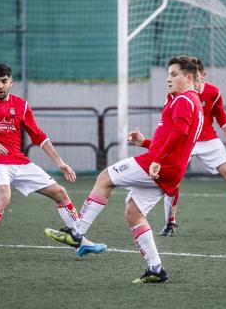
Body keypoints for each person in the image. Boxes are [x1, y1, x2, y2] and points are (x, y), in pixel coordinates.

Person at [45, 55, 204, 284]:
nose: (168, 79)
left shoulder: (184, 100)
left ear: (189, 77)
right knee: (133, 213)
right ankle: (156, 269)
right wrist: (145, 143)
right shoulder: (189, 102)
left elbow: (179, 133)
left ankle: (77, 232)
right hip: (169, 167)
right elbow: (177, 139)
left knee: (105, 177)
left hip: (158, 164)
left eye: (174, 74)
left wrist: (157, 158)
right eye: (168, 74)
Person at [0, 63, 107, 263]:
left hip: (20, 162)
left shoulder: (21, 105)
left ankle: (80, 242)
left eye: (4, 81)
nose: (0, 86)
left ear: (11, 82)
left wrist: (60, 162)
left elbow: (39, 137)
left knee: (60, 193)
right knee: (4, 197)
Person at [129, 61, 226, 238]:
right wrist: (146, 143)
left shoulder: (214, 92)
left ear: (201, 75)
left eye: (196, 75)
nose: (192, 79)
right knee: (174, 180)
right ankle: (170, 223)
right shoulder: (176, 95)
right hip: (185, 140)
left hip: (209, 140)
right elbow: (168, 128)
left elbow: (222, 117)